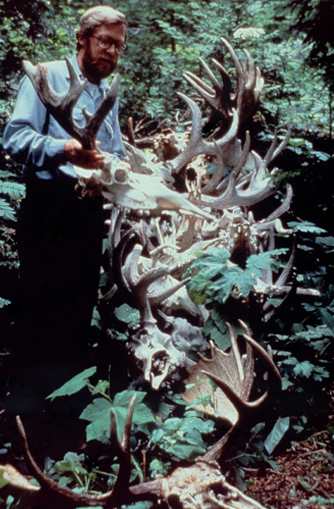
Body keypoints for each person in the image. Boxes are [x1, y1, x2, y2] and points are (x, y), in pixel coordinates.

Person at [2, 5, 127, 458]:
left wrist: (122, 169)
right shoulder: (46, 75)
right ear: (83, 38)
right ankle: (22, 434)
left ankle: (64, 434)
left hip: (87, 217)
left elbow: (110, 152)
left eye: (118, 46)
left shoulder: (108, 92)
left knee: (76, 320)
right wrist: (62, 148)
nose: (111, 52)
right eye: (105, 41)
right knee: (38, 317)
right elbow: (14, 136)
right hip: (48, 213)